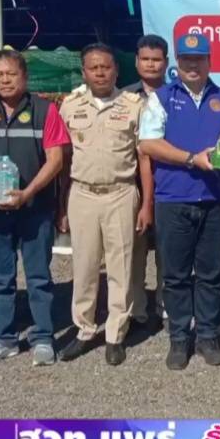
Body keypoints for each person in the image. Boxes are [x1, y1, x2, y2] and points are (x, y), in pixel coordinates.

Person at [138, 33, 220, 370]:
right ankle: (179, 338)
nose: (193, 65)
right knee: (176, 275)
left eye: (199, 59)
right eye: (186, 59)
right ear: (177, 63)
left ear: (209, 61)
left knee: (211, 273)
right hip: (173, 200)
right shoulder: (161, 98)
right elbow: (148, 144)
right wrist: (191, 159)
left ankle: (207, 336)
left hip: (213, 200)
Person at [0, 50, 69, 367]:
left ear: (25, 76)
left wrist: (28, 193)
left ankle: (43, 338)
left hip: (35, 208)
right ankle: (3, 339)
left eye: (11, 74)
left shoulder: (45, 110)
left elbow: (56, 160)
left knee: (39, 277)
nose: (5, 80)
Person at [57, 44, 150, 366]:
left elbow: (144, 157)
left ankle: (115, 333)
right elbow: (63, 158)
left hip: (120, 193)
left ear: (116, 70)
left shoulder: (134, 106)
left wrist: (146, 204)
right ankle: (84, 329)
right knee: (84, 266)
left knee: (121, 266)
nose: (100, 73)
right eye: (93, 68)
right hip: (82, 193)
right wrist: (61, 205)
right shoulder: (69, 106)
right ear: (84, 72)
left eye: (106, 67)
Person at [124, 35, 169, 325]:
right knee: (133, 250)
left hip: (167, 183)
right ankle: (136, 309)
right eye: (145, 59)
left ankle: (165, 304)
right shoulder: (123, 98)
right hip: (130, 185)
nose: (151, 65)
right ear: (137, 62)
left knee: (167, 250)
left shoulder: (176, 96)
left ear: (166, 63)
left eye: (156, 59)